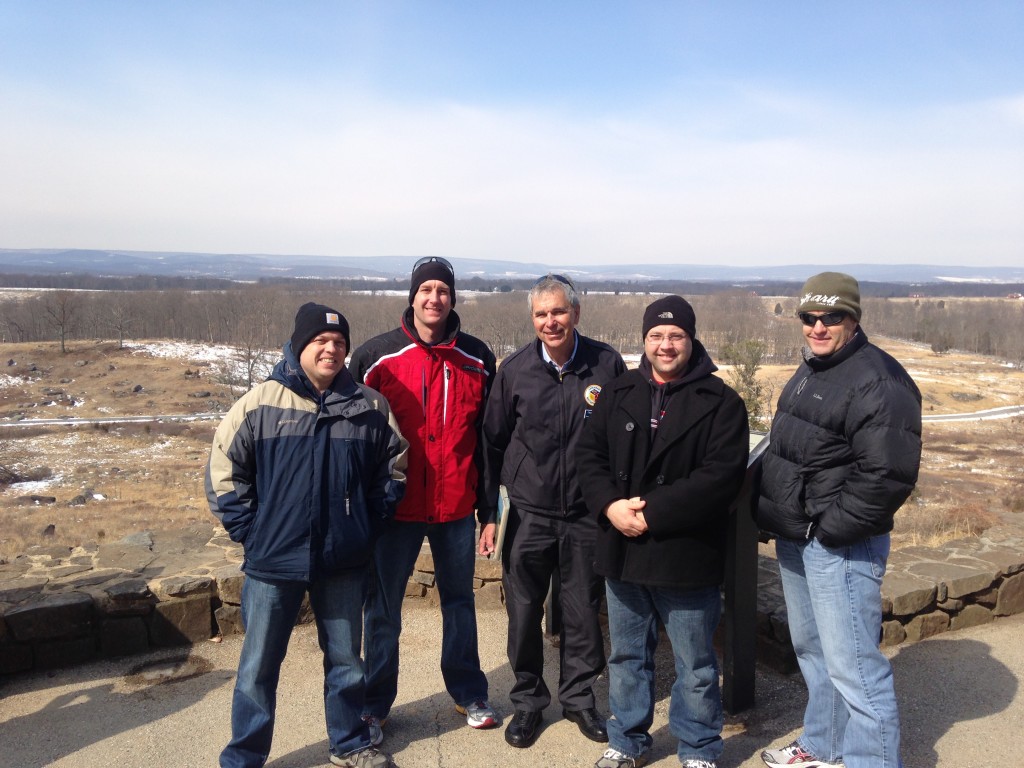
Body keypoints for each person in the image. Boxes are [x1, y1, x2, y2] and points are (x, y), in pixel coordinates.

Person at [206, 302, 408, 768]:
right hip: (273, 561)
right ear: (300, 345)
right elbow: (223, 472)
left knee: (346, 663)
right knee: (257, 667)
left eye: (339, 343)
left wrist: (365, 524)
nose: (331, 349)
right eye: (320, 341)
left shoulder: (369, 407)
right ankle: (244, 757)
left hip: (343, 559)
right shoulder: (260, 404)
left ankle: (350, 742)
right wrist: (251, 533)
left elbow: (394, 470)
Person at [576, 295, 749, 768]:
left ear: (691, 340)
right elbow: (589, 458)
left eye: (676, 336)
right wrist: (610, 506)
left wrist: (651, 513)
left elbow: (720, 478)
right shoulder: (617, 392)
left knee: (695, 665)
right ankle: (628, 740)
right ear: (644, 340)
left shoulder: (722, 403)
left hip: (684, 552)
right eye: (656, 335)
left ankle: (698, 747)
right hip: (623, 548)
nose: (666, 345)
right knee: (628, 656)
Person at [757, 272, 922, 768]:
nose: (818, 327)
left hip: (840, 546)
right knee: (813, 652)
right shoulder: (814, 368)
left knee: (854, 668)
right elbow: (792, 447)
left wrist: (830, 530)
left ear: (853, 319)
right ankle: (825, 746)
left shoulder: (880, 380)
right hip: (799, 535)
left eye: (831, 318)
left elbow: (887, 475)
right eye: (809, 318)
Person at [349, 257, 499, 744]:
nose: (434, 298)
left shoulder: (478, 359)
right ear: (412, 296)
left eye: (443, 290)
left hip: (455, 506)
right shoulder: (376, 358)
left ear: (453, 298)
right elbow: (353, 438)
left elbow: (487, 440)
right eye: (426, 289)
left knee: (459, 603)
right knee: (383, 610)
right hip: (396, 509)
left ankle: (469, 691)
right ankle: (374, 705)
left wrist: (488, 510)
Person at [480, 274, 627, 749]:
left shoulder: (605, 364)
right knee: (523, 612)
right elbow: (493, 442)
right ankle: (527, 702)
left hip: (588, 512)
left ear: (576, 313)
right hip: (529, 512)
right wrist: (489, 510)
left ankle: (580, 699)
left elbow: (626, 437)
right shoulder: (516, 370)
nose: (550, 321)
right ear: (533, 319)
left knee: (583, 608)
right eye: (541, 314)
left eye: (558, 312)